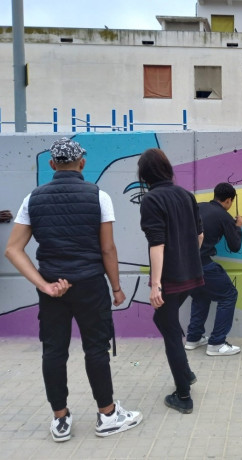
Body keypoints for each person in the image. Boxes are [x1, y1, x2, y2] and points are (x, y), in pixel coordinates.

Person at [4, 137, 142, 442]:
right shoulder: (98, 196)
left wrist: (44, 285)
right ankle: (107, 415)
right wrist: (117, 288)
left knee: (53, 351)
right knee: (96, 349)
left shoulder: (33, 199)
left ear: (53, 165)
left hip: (52, 288)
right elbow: (108, 249)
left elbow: (13, 250)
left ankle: (61, 420)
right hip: (91, 285)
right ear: (82, 163)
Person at [138, 148, 204, 414]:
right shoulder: (186, 195)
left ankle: (183, 395)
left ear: (144, 174)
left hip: (170, 280)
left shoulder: (151, 200)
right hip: (192, 276)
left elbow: (157, 244)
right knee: (165, 321)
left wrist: (156, 284)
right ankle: (186, 374)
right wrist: (187, 259)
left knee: (170, 335)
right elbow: (199, 236)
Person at [185, 182, 242, 356]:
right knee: (229, 295)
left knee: (201, 295)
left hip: (185, 265)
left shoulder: (197, 207)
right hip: (203, 263)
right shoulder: (223, 215)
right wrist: (237, 227)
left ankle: (193, 338)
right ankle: (217, 343)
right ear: (228, 200)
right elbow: (235, 246)